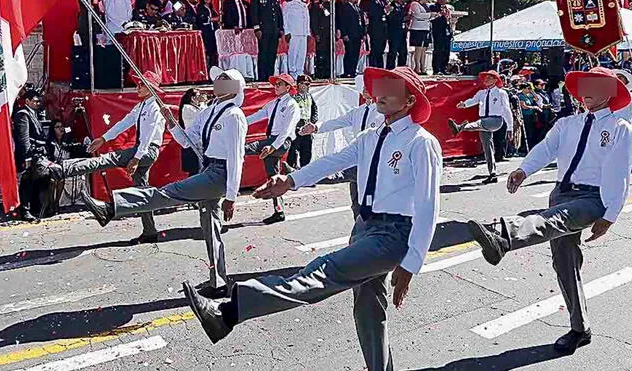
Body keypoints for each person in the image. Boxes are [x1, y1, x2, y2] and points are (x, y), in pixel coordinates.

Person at [181, 66, 442, 371]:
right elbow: (333, 161)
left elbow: (428, 207)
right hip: (365, 227)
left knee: (323, 271)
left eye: (391, 88)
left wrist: (411, 264)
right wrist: (290, 182)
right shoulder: (372, 136)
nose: (380, 93)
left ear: (409, 101)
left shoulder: (421, 143)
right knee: (369, 307)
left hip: (394, 234)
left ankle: (228, 311)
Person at [466, 67, 632, 355]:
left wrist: (610, 215)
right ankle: (580, 328)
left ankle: (502, 235)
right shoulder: (566, 124)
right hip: (561, 193)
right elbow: (546, 149)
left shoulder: (620, 128)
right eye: (583, 85)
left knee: (553, 220)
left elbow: (619, 173)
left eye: (595, 85)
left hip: (592, 198)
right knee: (564, 262)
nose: (586, 91)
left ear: (610, 92)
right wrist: (523, 169)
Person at [81, 69, 248, 298]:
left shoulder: (235, 116)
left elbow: (237, 157)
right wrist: (170, 121)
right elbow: (186, 140)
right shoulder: (209, 112)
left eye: (225, 81)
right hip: (207, 168)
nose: (218, 84)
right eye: (219, 79)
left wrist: (231, 196)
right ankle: (218, 282)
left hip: (219, 174)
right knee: (211, 228)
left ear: (235, 88)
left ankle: (111, 208)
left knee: (166, 193)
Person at [49, 71, 166, 245]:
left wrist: (136, 158)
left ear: (150, 88)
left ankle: (64, 169)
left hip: (146, 150)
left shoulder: (155, 108)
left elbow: (149, 137)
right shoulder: (141, 106)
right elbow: (124, 123)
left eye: (141, 84)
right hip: (141, 150)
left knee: (108, 159)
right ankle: (150, 231)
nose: (137, 87)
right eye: (138, 84)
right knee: (142, 192)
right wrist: (104, 138)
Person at [299, 74, 384, 219]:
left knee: (369, 200)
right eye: (363, 87)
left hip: (373, 162)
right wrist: (315, 128)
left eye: (368, 87)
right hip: (358, 157)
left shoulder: (382, 111)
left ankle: (302, 176)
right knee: (356, 203)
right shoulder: (358, 111)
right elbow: (337, 122)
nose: (364, 89)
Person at [245, 74, 300, 224]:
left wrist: (272, 146)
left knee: (245, 148)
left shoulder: (292, 105)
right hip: (273, 142)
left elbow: (287, 131)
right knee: (272, 178)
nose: (275, 86)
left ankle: (292, 171)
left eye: (279, 84)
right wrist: (238, 121)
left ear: (288, 87)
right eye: (275, 84)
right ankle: (279, 211)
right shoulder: (272, 104)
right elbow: (256, 116)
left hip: (280, 142)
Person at [448, 70, 514, 184]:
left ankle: (460, 127)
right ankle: (492, 173)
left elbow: (507, 110)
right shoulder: (481, 93)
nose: (486, 80)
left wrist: (510, 127)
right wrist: (463, 104)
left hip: (495, 120)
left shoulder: (501, 93)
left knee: (479, 124)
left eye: (489, 78)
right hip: (484, 121)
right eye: (485, 78)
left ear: (495, 80)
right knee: (487, 148)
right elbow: (473, 101)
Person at [12, 90, 50, 222]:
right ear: (27, 101)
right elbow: (24, 138)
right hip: (28, 155)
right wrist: (27, 156)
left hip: (37, 154)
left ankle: (34, 209)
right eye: (35, 101)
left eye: (39, 101)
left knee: (35, 182)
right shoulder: (23, 115)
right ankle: (25, 211)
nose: (37, 103)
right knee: (26, 184)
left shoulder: (34, 113)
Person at [287, 75, 318, 169]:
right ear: (299, 85)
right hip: (296, 126)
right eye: (305, 84)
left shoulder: (309, 96)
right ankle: (292, 172)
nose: (307, 86)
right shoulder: (293, 97)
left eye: (308, 84)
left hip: (307, 125)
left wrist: (313, 122)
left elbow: (314, 109)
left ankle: (305, 173)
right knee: (293, 150)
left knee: (306, 151)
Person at [251, 0, 284, 82]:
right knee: (263, 54)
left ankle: (270, 76)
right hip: (264, 30)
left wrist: (280, 28)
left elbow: (278, 13)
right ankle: (262, 77)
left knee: (272, 55)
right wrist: (256, 28)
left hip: (274, 31)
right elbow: (254, 12)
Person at [283, 0, 311, 79]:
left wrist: (307, 32)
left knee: (302, 54)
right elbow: (285, 18)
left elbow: (307, 19)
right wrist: (287, 31)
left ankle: (300, 71)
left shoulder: (304, 6)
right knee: (293, 53)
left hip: (303, 33)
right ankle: (292, 72)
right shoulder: (288, 5)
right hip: (293, 32)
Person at [337, 0, 365, 78]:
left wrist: (363, 34)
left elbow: (361, 21)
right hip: (349, 34)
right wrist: (344, 34)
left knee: (356, 53)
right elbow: (342, 21)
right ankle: (347, 71)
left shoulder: (357, 8)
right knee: (349, 53)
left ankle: (353, 70)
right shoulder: (345, 7)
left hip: (357, 35)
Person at [179, 88, 203, 176]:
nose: (200, 98)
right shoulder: (187, 108)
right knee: (196, 171)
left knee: (199, 170)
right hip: (192, 143)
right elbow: (203, 114)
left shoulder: (195, 108)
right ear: (192, 98)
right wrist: (203, 102)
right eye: (198, 96)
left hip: (198, 143)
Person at [408, 0, 433, 75]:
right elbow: (418, 15)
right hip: (417, 29)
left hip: (426, 28)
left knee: (424, 49)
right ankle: (417, 67)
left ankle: (423, 67)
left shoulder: (427, 6)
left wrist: (433, 15)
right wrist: (429, 15)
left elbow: (427, 16)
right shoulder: (415, 4)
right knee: (418, 48)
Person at [362, 0, 388, 69]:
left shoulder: (383, 2)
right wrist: (384, 10)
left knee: (381, 49)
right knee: (375, 48)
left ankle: (380, 66)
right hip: (375, 29)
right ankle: (373, 66)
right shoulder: (372, 2)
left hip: (383, 30)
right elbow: (372, 14)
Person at [518, 82, 543, 151]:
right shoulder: (521, 96)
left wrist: (532, 91)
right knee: (527, 131)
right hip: (525, 116)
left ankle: (530, 145)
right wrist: (533, 107)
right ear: (523, 89)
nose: (529, 89)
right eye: (528, 88)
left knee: (531, 131)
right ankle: (524, 147)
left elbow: (537, 98)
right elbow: (523, 106)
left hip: (531, 116)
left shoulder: (528, 96)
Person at [310, 0, 332, 79]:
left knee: (329, 53)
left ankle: (328, 72)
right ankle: (320, 73)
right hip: (321, 33)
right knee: (321, 53)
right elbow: (314, 20)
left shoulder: (330, 5)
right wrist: (316, 33)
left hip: (330, 34)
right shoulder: (316, 6)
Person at [429, 0, 452, 75]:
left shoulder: (447, 8)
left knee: (446, 51)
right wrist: (440, 14)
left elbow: (449, 19)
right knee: (438, 50)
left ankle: (443, 68)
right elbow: (432, 18)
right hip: (438, 32)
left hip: (447, 32)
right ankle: (436, 69)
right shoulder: (433, 7)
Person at [197, 0, 220, 68]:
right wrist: (212, 19)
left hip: (212, 31)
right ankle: (207, 66)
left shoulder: (211, 9)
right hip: (205, 32)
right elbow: (201, 19)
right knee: (208, 49)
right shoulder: (201, 8)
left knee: (213, 50)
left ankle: (213, 65)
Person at [386, 0, 408, 70]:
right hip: (393, 33)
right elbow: (391, 18)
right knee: (393, 52)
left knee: (403, 52)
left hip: (402, 33)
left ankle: (401, 69)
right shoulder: (391, 6)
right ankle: (390, 68)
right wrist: (403, 19)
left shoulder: (402, 7)